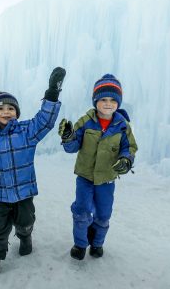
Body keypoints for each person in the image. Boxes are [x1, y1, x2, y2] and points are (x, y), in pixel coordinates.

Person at [0, 67, 66, 278]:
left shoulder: (26, 132)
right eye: (1, 109)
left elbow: (45, 121)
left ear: (17, 112)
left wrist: (52, 93)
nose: (6, 112)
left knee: (26, 221)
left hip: (24, 193)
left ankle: (25, 236)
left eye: (11, 108)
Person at [58, 73, 137, 260]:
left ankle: (97, 243)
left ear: (118, 102)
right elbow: (72, 147)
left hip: (106, 179)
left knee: (103, 213)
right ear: (95, 101)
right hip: (85, 177)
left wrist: (126, 160)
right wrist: (68, 137)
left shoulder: (122, 126)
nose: (108, 103)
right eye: (103, 99)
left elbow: (130, 148)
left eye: (112, 100)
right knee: (81, 211)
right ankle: (80, 244)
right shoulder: (86, 121)